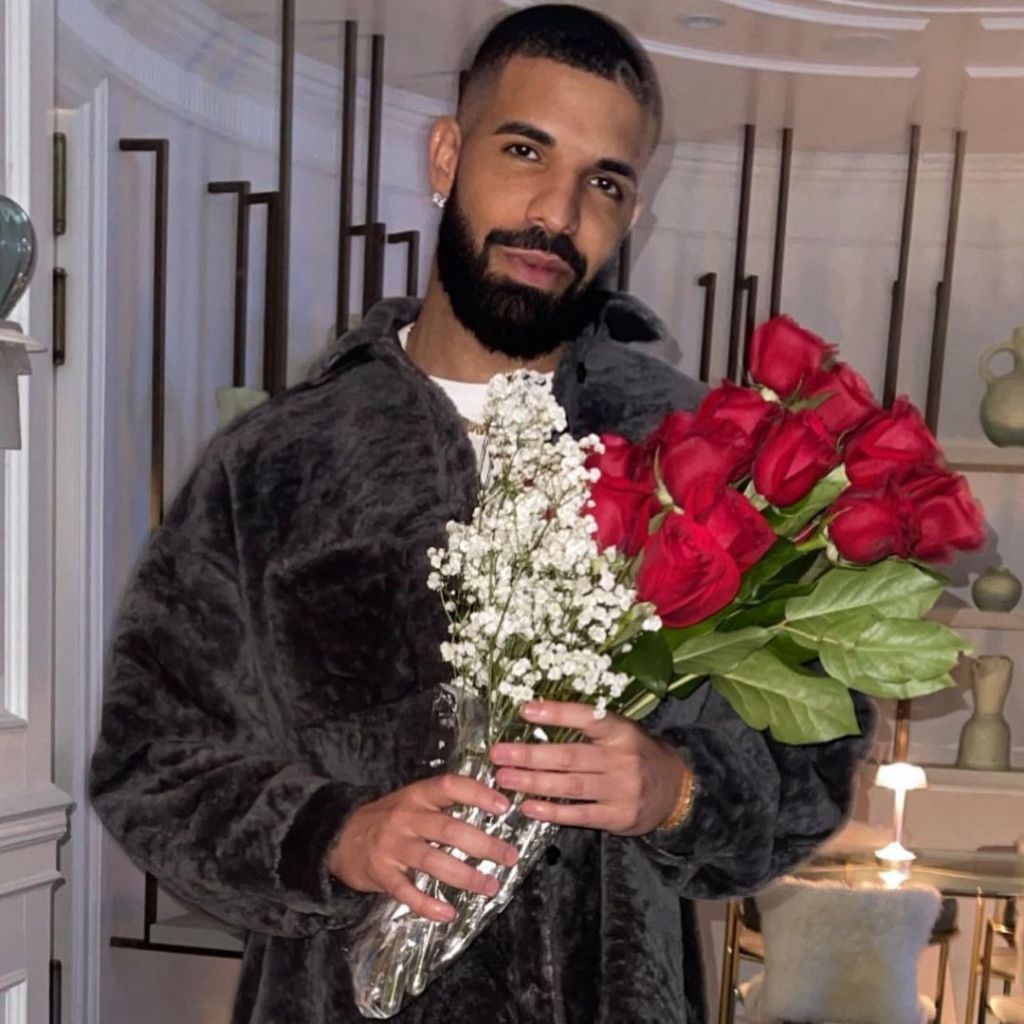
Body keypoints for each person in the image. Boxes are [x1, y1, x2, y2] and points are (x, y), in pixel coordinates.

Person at [90, 6, 874, 1023]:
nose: (557, 212)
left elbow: (812, 758)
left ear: (630, 211)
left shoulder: (699, 456)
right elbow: (150, 761)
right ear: (447, 155)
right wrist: (335, 835)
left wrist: (677, 789)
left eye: (604, 182)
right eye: (524, 150)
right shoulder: (275, 464)